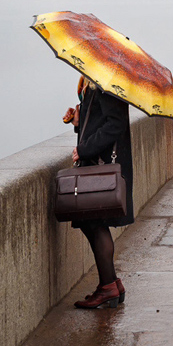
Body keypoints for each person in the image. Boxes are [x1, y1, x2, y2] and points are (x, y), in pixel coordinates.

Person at [64, 75, 134, 309]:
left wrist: (84, 150)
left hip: (102, 164)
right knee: (90, 222)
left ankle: (108, 287)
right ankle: (111, 283)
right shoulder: (92, 80)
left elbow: (115, 124)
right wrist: (79, 120)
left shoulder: (109, 81)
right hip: (96, 162)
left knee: (95, 222)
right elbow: (100, 120)